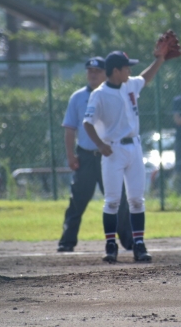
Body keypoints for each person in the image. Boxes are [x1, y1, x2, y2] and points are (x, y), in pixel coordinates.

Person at [83, 45, 170, 263]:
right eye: (126, 68)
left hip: (135, 148)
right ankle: (110, 244)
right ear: (115, 71)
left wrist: (159, 60)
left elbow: (145, 78)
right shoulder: (99, 94)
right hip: (112, 150)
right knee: (112, 201)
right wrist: (100, 145)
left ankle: (139, 244)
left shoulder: (129, 84)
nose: (129, 71)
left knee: (137, 200)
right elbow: (87, 123)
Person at [57, 57, 133, 253]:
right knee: (77, 201)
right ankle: (67, 241)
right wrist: (70, 155)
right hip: (86, 156)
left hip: (110, 155)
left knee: (118, 200)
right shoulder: (77, 97)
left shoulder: (115, 93)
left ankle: (130, 241)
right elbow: (70, 129)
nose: (93, 74)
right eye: (90, 70)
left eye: (97, 71)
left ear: (105, 73)